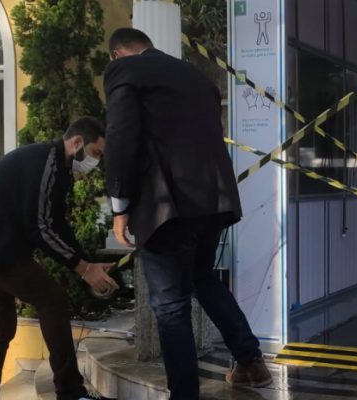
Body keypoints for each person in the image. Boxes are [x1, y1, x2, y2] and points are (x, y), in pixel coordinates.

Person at [103, 28, 273, 399]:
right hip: (213, 200)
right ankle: (250, 361)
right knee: (202, 277)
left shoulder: (123, 70)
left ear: (117, 54)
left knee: (170, 305)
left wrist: (120, 205)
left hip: (166, 206)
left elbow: (121, 136)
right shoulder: (195, 76)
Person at [0, 117, 117, 400]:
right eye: (95, 153)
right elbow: (41, 229)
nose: (96, 162)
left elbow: (57, 224)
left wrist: (88, 263)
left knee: (0, 325)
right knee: (53, 300)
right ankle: (70, 392)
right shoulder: (46, 164)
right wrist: (84, 269)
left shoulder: (56, 167)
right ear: (77, 143)